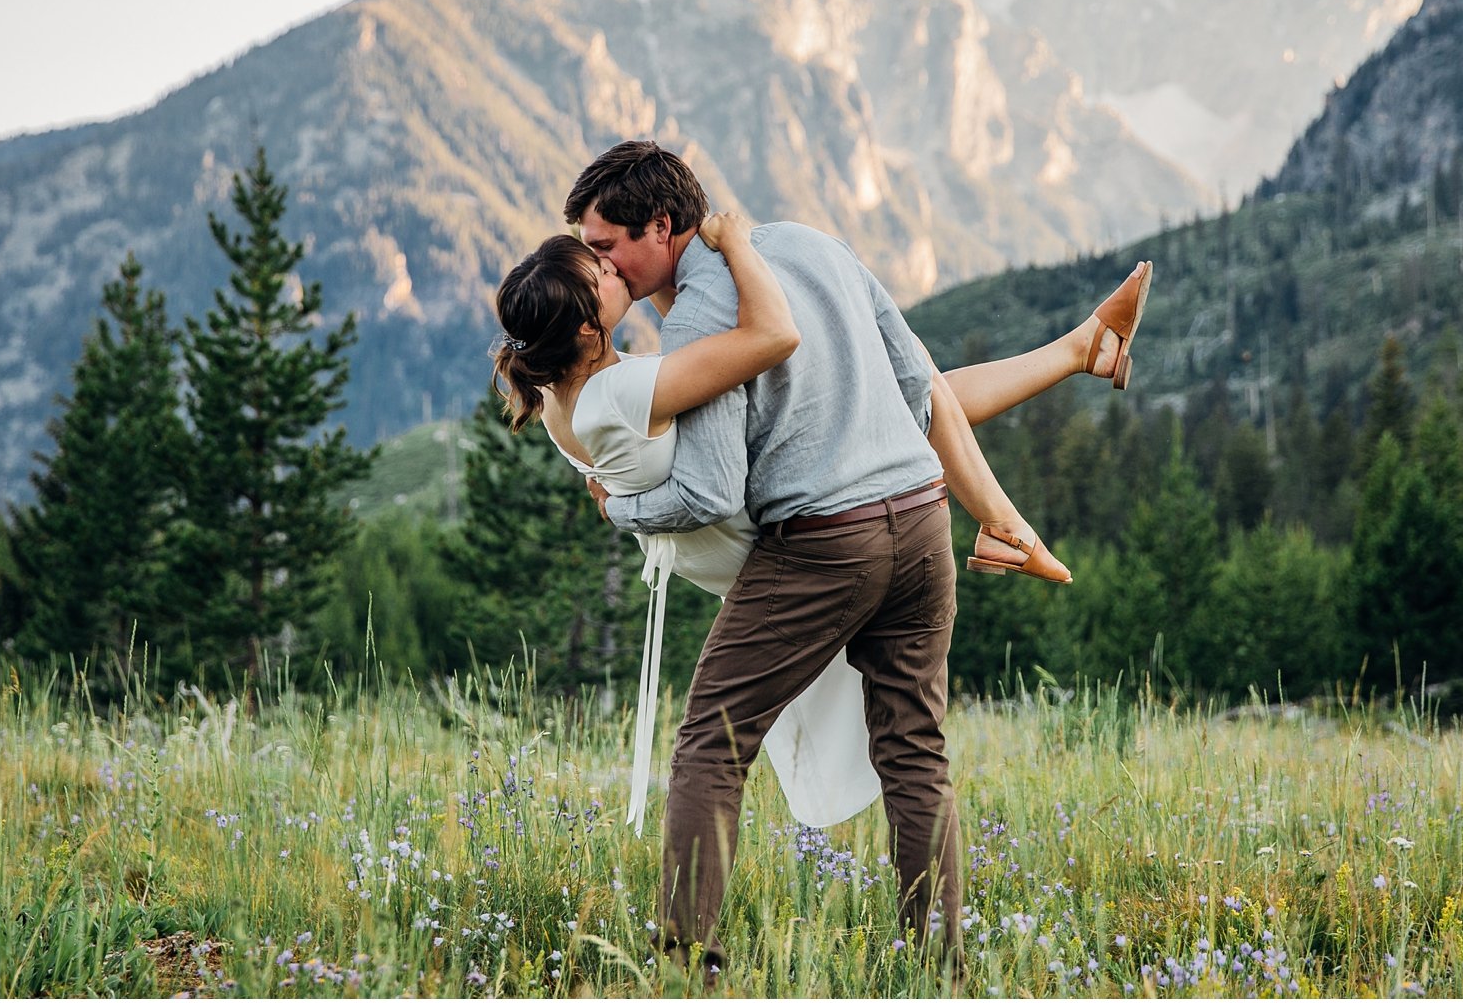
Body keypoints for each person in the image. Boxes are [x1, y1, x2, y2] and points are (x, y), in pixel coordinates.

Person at [491, 140, 1152, 974]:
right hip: (921, 521)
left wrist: (624, 507)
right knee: (916, 752)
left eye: (607, 244)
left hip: (824, 545)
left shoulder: (699, 321)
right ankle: (937, 969)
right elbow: (920, 383)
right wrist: (988, 508)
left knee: (711, 740)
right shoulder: (805, 241)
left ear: (661, 226)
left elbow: (710, 487)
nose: (602, 259)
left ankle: (683, 961)